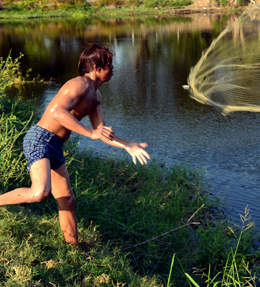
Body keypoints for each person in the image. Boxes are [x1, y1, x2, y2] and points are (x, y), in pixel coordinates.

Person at [0, 44, 150, 245]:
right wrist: (89, 132)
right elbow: (57, 113)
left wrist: (127, 145)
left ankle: (74, 247)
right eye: (109, 64)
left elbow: (102, 132)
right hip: (40, 139)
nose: (113, 68)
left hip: (55, 146)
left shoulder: (96, 96)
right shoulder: (79, 84)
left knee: (67, 200)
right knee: (40, 193)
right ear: (96, 66)